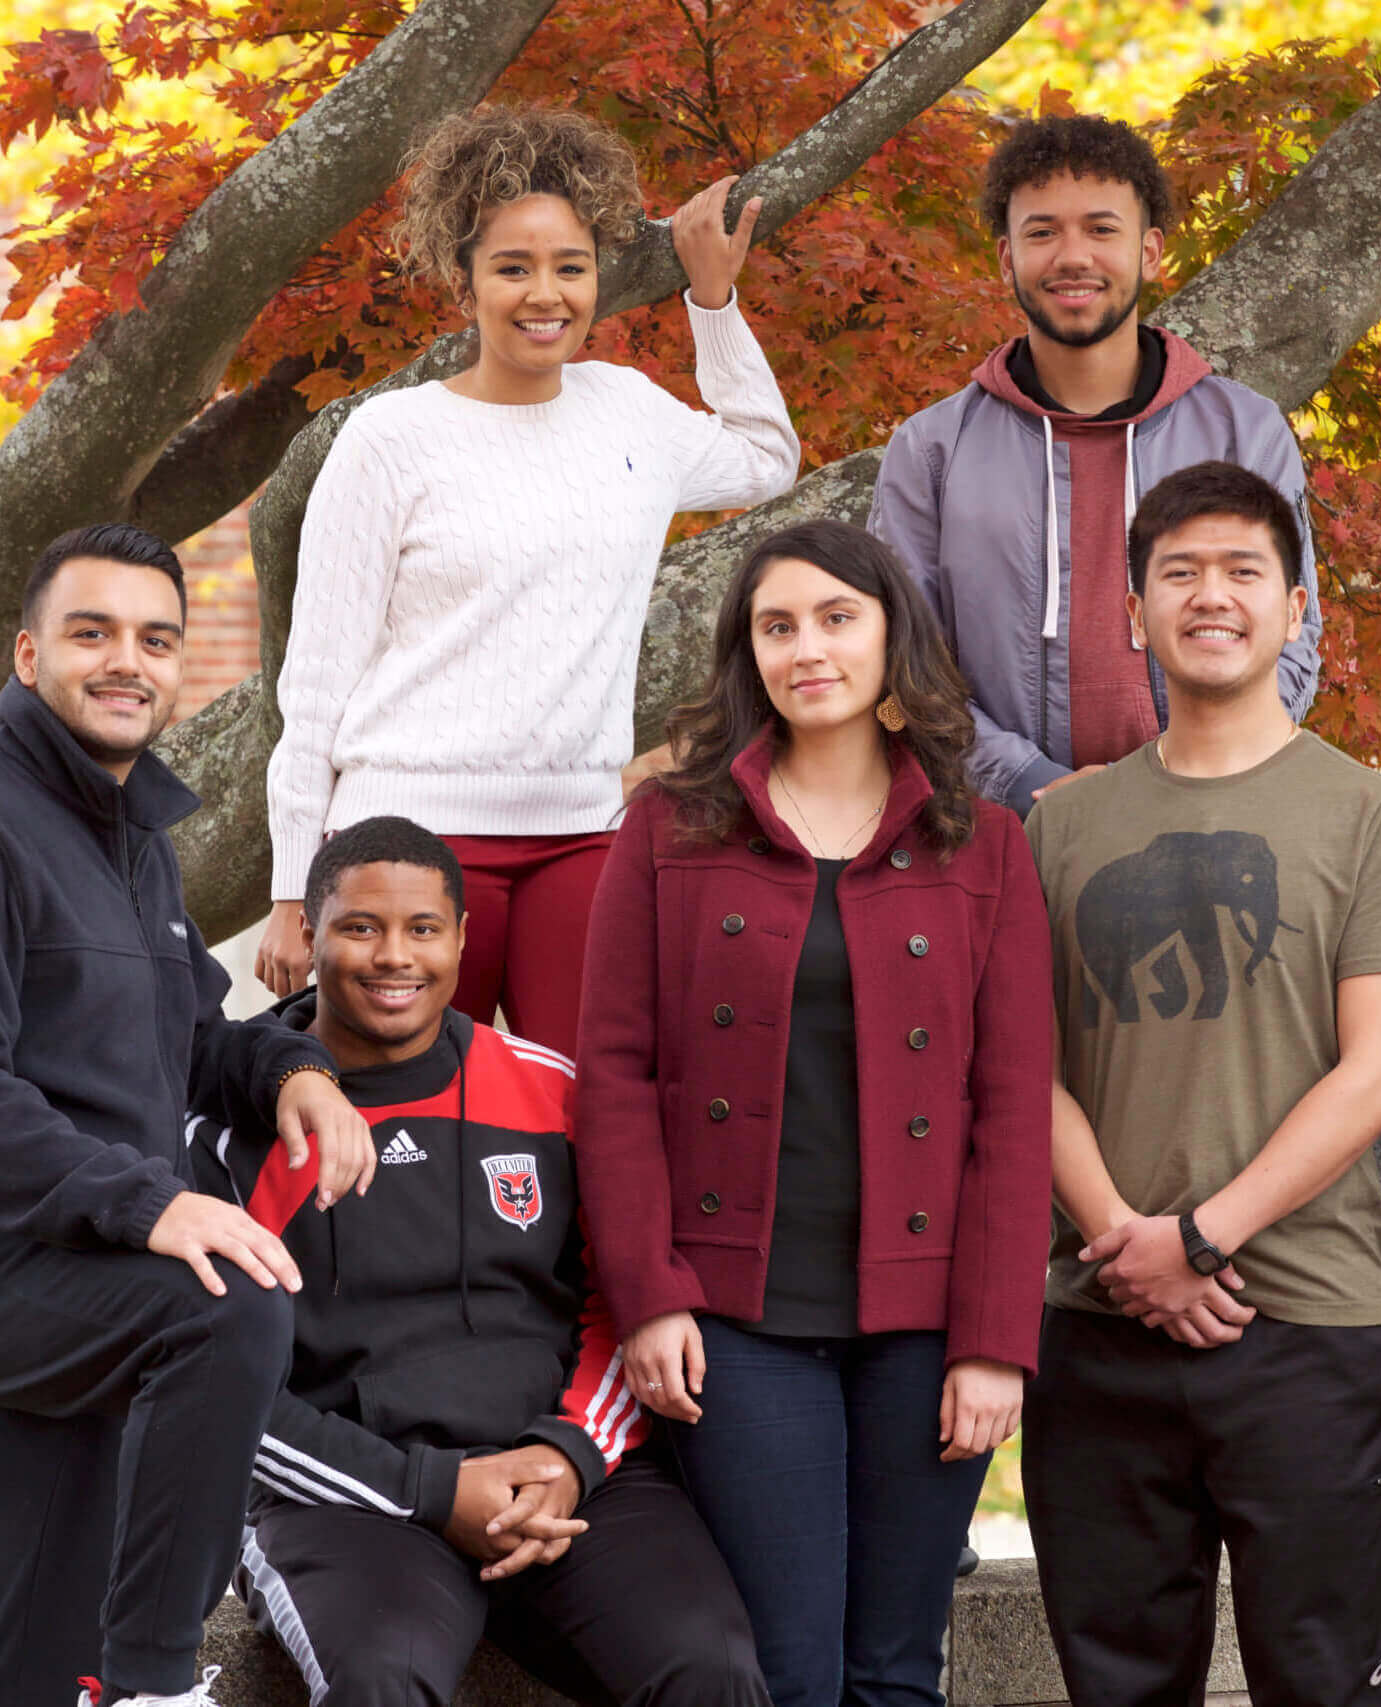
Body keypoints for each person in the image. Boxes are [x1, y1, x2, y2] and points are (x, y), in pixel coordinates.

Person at [574, 519, 1053, 1707]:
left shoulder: (983, 842)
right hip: (736, 1318)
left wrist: (996, 1337)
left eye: (838, 619)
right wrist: (648, 1295)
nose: (808, 649)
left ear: (894, 637)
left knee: (895, 1671)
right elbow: (617, 1077)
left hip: (926, 1317)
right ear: (749, 653)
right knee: (784, 1672)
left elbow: (1011, 1104)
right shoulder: (667, 830)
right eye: (777, 626)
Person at [1021, 462, 1381, 1707]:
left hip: (1310, 1326)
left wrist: (1202, 1240)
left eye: (1243, 571)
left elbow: (1379, 1072)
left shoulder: (1376, 816)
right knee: (1117, 1681)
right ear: (1131, 611)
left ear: (1299, 606)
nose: (1212, 596)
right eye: (1181, 572)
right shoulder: (1064, 827)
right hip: (1101, 1327)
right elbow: (1026, 1071)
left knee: (1323, 1680)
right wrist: (1125, 1243)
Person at [257, 103, 800, 1057]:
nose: (543, 295)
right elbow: (315, 684)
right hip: (403, 844)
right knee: (408, 1131)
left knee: (596, 1117)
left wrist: (711, 302)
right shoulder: (391, 439)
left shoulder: (627, 411)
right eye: (512, 267)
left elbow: (765, 457)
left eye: (570, 267)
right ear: (462, 280)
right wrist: (294, 887)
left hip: (579, 834)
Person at [191, 816, 770, 1705]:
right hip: (352, 1497)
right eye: (359, 927)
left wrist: (570, 1453)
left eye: (423, 928)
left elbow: (624, 1303)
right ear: (309, 935)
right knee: (383, 1677)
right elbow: (228, 1386)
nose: (394, 956)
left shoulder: (550, 1090)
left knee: (711, 1667)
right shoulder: (229, 1137)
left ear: (463, 938)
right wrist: (428, 1489)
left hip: (560, 1473)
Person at [0, 524, 371, 1707]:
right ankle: (163, 1687)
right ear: (26, 655)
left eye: (156, 639)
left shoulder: (132, 836)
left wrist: (290, 1072)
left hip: (86, 1274)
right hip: (33, 1256)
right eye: (92, 633)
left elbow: (195, 1033)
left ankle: (116, 1679)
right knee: (229, 1305)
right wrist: (154, 1204)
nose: (130, 661)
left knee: (47, 1656)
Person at [869, 111, 1322, 819]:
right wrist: (1025, 784)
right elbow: (900, 660)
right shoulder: (932, 449)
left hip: (1205, 820)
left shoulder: (1243, 430)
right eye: (1042, 232)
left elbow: (1291, 635)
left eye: (1101, 230)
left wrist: (1192, 772)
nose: (1071, 256)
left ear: (1148, 253)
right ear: (1004, 259)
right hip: (994, 834)